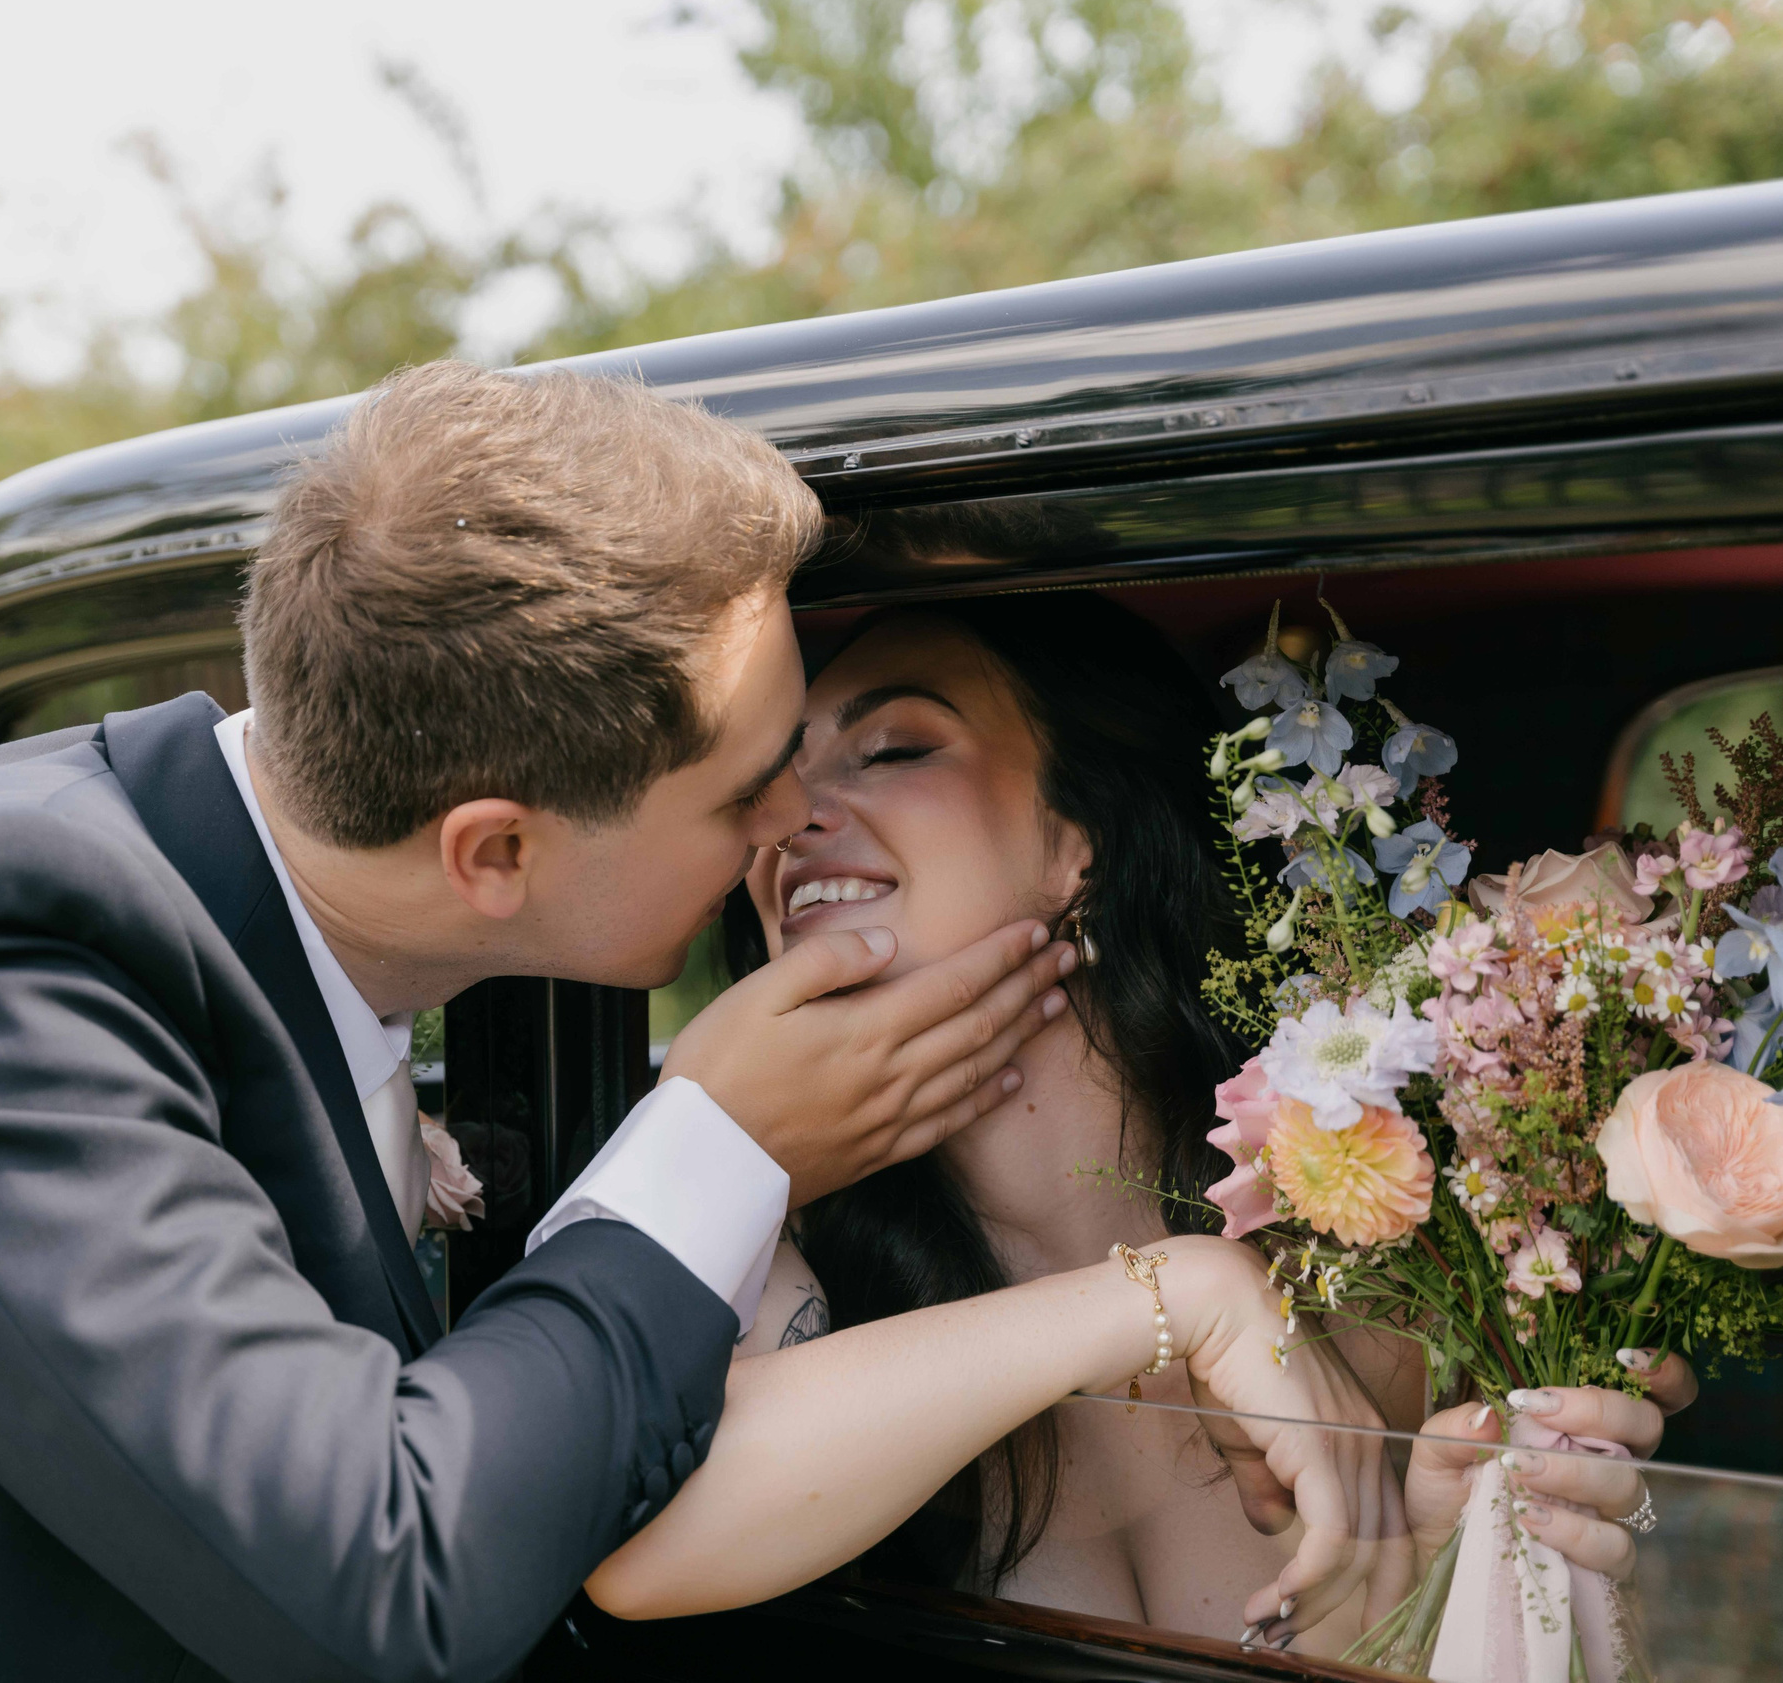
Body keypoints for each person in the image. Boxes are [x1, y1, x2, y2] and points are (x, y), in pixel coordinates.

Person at [0, 364, 1083, 1683]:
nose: (793, 817)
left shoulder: (270, 927)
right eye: (744, 787)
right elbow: (384, 1579)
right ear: (494, 853)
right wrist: (716, 1142)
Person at [583, 593, 1693, 1656]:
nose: (786, 818)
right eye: (774, 778)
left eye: (894, 749)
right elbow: (632, 1545)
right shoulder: (773, 1238)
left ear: (1087, 838)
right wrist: (1172, 1297)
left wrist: (1445, 1568)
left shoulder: (1389, 1260)